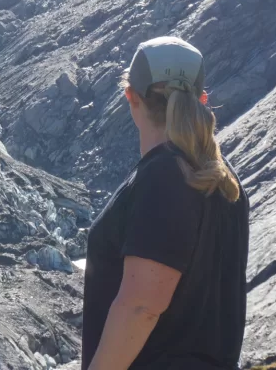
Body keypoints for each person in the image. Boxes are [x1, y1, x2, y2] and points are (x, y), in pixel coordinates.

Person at [82, 37, 249, 370]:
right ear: (202, 100)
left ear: (131, 97)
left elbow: (140, 307)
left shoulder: (164, 178)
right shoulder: (221, 179)